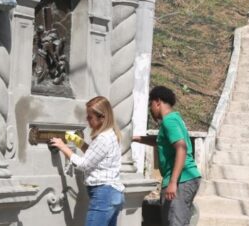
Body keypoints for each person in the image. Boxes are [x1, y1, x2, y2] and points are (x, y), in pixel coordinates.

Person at [50, 97, 125, 226]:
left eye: (90, 117)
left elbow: (84, 164)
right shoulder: (110, 134)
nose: (87, 120)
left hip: (103, 195)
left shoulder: (103, 138)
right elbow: (95, 156)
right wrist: (78, 142)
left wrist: (63, 147)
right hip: (113, 194)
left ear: (102, 117)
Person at [133, 86, 201, 226]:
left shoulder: (169, 121)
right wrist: (137, 138)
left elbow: (181, 149)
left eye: (150, 105)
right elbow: (161, 141)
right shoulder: (175, 119)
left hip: (181, 180)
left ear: (157, 102)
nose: (151, 109)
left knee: (175, 222)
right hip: (187, 178)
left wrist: (173, 182)